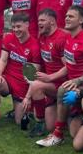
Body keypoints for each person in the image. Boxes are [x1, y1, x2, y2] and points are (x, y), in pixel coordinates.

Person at [36, 5, 83, 147]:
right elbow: (67, 65)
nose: (66, 18)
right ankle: (69, 120)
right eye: (66, 16)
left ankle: (58, 134)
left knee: (63, 89)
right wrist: (51, 77)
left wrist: (78, 80)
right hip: (72, 83)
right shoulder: (67, 37)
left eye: (71, 16)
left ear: (81, 20)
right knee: (75, 134)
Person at [0, 13, 41, 129]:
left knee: (20, 123)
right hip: (9, 79)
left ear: (27, 25)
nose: (16, 30)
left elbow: (33, 76)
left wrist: (28, 97)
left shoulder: (35, 46)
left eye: (19, 26)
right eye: (14, 27)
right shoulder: (9, 38)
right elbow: (3, 60)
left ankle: (28, 111)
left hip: (23, 85)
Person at [22, 8, 68, 137]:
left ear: (52, 22)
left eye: (42, 20)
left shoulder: (61, 38)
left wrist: (49, 77)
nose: (39, 23)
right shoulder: (42, 37)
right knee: (50, 126)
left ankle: (40, 123)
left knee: (37, 85)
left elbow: (68, 67)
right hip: (50, 85)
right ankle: (43, 121)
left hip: (62, 84)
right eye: (38, 20)